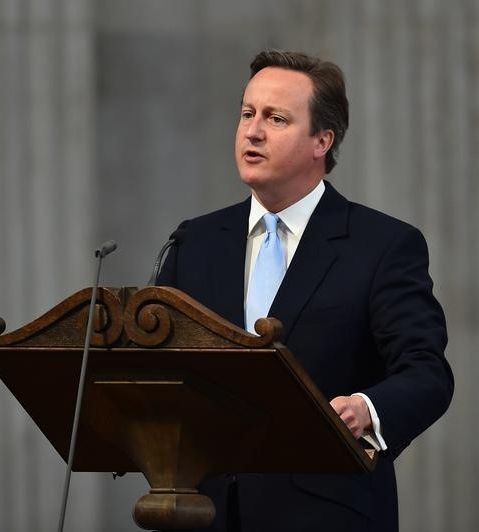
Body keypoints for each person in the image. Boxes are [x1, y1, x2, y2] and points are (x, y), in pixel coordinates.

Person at [157, 49, 453, 532]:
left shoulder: (383, 245)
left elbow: (427, 372)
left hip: (325, 513)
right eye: (247, 114)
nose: (252, 131)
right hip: (202, 512)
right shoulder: (194, 241)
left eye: (276, 118)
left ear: (322, 140)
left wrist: (366, 410)